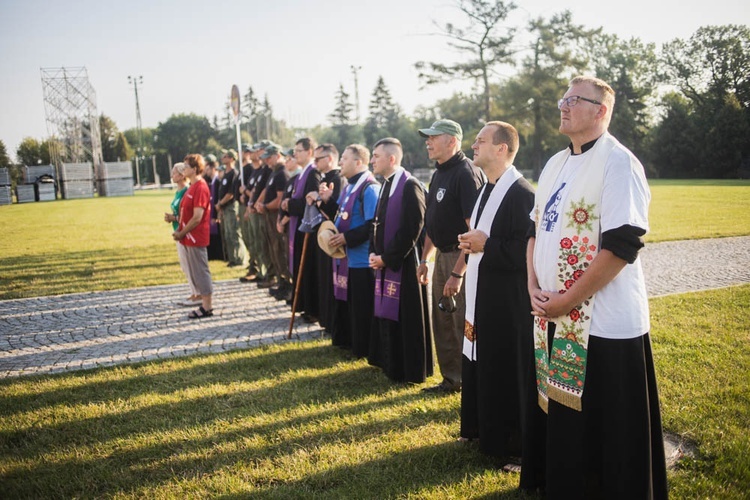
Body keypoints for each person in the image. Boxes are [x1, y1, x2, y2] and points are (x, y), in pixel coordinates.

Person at [527, 75, 667, 499]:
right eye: (562, 99)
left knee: (609, 426)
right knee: (568, 420)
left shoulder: (617, 162)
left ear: (601, 110)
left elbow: (623, 245)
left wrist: (567, 300)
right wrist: (532, 285)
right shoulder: (553, 163)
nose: (563, 106)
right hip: (551, 309)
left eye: (574, 100)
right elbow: (533, 229)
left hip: (603, 323)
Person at [458, 121, 545, 489]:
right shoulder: (486, 189)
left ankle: (514, 445)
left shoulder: (522, 193)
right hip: (482, 294)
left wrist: (485, 245)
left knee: (507, 366)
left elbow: (528, 250)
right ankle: (483, 431)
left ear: (502, 149)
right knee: (482, 359)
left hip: (508, 301)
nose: (473, 145)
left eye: (480, 141)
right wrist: (471, 245)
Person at [417, 119, 485, 393]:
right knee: (443, 320)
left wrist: (458, 273)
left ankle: (467, 380)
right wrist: (424, 259)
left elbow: (474, 230)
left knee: (460, 321)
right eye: (428, 137)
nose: (428, 142)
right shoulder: (439, 173)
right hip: (441, 257)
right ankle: (451, 378)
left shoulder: (465, 173)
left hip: (461, 258)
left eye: (434, 137)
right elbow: (433, 222)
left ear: (452, 141)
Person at [368, 138, 433, 383]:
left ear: (391, 159)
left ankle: (408, 368)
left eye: (376, 156)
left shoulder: (409, 185)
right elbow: (377, 223)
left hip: (403, 263)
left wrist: (387, 258)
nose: (372, 161)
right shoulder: (386, 184)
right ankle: (391, 363)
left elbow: (412, 228)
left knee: (407, 318)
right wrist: (375, 253)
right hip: (385, 260)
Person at [319, 144, 379, 355]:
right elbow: (341, 215)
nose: (340, 162)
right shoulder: (348, 187)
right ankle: (348, 340)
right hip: (346, 258)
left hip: (361, 260)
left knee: (362, 307)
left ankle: (363, 347)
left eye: (344, 158)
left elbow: (373, 225)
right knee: (349, 305)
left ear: (358, 162)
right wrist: (326, 202)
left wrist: (346, 237)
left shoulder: (369, 187)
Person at [281, 137, 322, 322]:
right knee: (299, 267)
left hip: (306, 230)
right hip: (296, 227)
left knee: (307, 268)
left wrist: (290, 204)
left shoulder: (312, 174)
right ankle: (303, 304)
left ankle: (312, 308)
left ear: (310, 152)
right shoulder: (301, 174)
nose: (295, 154)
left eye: (299, 150)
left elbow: (310, 204)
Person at [173, 154, 214, 319]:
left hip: (196, 236)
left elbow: (197, 217)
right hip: (188, 237)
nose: (184, 169)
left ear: (195, 169)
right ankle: (203, 303)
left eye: (187, 166)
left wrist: (182, 232)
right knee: (195, 271)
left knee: (201, 271)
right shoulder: (192, 186)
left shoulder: (201, 187)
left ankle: (207, 306)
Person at [307, 143, 343, 334]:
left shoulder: (337, 178)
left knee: (332, 281)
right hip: (322, 234)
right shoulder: (325, 178)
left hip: (333, 236)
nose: (314, 162)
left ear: (329, 159)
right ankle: (325, 318)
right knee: (323, 279)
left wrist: (320, 199)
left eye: (318, 158)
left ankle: (331, 322)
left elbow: (336, 212)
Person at [255, 144, 292, 299]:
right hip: (269, 216)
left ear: (278, 155)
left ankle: (287, 286)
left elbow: (279, 200)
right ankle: (280, 282)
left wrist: (264, 205)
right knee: (273, 251)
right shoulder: (273, 173)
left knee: (280, 251)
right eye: (266, 158)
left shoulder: (282, 174)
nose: (267, 161)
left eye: (269, 157)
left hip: (276, 216)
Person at [163, 162, 201, 306]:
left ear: (180, 175)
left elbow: (189, 215)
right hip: (177, 229)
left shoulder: (187, 191)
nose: (172, 176)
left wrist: (174, 218)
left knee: (190, 262)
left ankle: (198, 293)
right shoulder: (178, 192)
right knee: (184, 263)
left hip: (185, 231)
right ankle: (193, 291)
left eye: (174, 173)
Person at [216, 149, 245, 267]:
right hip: (224, 207)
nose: (223, 158)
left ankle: (239, 259)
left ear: (232, 159)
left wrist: (220, 203)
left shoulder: (234, 173)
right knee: (227, 234)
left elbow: (231, 193)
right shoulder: (225, 174)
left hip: (231, 207)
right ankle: (232, 258)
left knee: (234, 233)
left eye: (226, 156)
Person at [239, 144, 263, 282]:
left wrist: (246, 193)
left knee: (258, 242)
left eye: (255, 151)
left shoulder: (261, 171)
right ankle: (254, 267)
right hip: (249, 208)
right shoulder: (253, 171)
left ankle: (259, 270)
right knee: (250, 239)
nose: (253, 153)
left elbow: (256, 192)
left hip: (256, 210)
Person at [203, 154, 224, 261]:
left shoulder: (217, 180)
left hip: (217, 210)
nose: (206, 171)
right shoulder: (211, 181)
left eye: (207, 169)